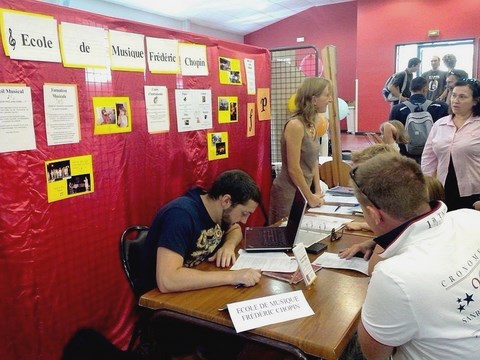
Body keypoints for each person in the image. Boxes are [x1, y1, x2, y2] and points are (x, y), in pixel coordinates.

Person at [348, 153, 480, 360]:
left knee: (351, 350)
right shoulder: (470, 217)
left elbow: (375, 356)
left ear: (374, 215)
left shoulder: (393, 275)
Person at [141, 169, 262, 295]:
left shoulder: (218, 211)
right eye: (244, 213)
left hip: (194, 286)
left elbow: (235, 230)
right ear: (226, 200)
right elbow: (168, 280)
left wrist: (228, 246)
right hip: (162, 299)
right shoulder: (180, 216)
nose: (244, 220)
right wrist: (233, 277)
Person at [269, 77, 331, 224]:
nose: (330, 99)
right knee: (284, 235)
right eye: (326, 95)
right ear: (314, 99)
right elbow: (294, 168)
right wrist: (309, 196)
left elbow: (314, 160)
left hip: (305, 190)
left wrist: (317, 189)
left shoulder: (312, 124)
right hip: (289, 193)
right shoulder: (295, 125)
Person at [422, 78, 480, 211]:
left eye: (462, 97)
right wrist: (426, 186)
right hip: (443, 191)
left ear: (475, 101)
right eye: (453, 95)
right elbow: (428, 159)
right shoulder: (440, 124)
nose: (455, 100)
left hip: (474, 193)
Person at [388, 76, 448, 161]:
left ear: (410, 89)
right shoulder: (440, 107)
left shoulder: (397, 109)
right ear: (425, 89)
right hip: (433, 156)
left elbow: (391, 134)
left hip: (405, 157)